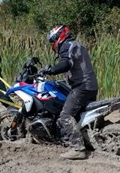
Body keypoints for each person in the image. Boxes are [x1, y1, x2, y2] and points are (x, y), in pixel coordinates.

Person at [38, 25, 98, 160]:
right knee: (79, 116)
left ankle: (78, 148)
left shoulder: (67, 45)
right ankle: (87, 140)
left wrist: (50, 70)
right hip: (90, 85)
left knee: (65, 116)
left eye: (53, 41)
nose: (53, 45)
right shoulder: (77, 45)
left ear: (58, 37)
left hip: (82, 87)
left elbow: (66, 63)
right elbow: (76, 66)